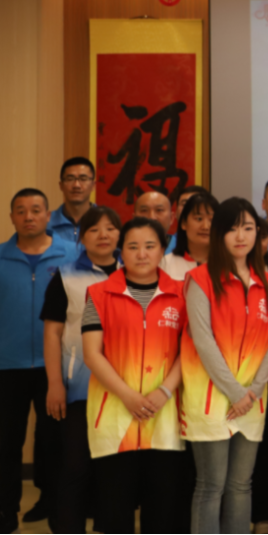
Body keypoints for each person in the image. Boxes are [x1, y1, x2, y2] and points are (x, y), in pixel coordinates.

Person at [82, 217, 186, 535]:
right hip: (114, 416)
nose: (142, 254)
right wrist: (128, 396)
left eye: (150, 246)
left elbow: (190, 353)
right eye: (133, 246)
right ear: (121, 251)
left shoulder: (182, 294)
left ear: (162, 250)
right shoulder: (98, 293)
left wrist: (164, 392)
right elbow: (92, 354)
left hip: (165, 418)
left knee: (163, 511)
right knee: (115, 511)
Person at [181, 197, 268, 535]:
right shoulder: (200, 279)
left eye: (248, 228)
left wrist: (253, 390)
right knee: (211, 485)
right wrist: (237, 392)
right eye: (232, 228)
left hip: (252, 400)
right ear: (219, 233)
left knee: (241, 485)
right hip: (210, 399)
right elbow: (203, 342)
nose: (241, 236)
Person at [0, 188, 77, 532]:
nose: (28, 216)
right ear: (11, 217)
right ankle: (5, 512)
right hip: (7, 365)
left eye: (35, 210)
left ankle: (56, 508)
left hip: (55, 367)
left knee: (54, 443)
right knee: (6, 444)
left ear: (49, 215)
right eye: (20, 211)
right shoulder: (0, 257)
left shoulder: (71, 254)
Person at [41, 206, 121, 535]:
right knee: (76, 465)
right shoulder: (65, 275)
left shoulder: (135, 272)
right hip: (80, 387)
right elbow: (52, 333)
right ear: (81, 238)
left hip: (126, 388)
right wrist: (54, 383)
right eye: (93, 229)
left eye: (110, 228)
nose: (103, 235)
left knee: (114, 470)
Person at [161, 193, 217, 280]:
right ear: (184, 223)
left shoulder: (229, 264)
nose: (206, 226)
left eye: (212, 220)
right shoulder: (164, 264)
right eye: (199, 219)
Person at [49, 157, 97, 245]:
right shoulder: (45, 223)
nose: (76, 185)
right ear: (61, 185)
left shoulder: (107, 224)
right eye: (70, 179)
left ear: (93, 185)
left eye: (83, 179)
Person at [166, 185, 212, 253]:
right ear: (176, 212)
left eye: (196, 204)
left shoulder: (221, 247)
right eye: (185, 204)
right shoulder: (164, 244)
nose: (189, 209)